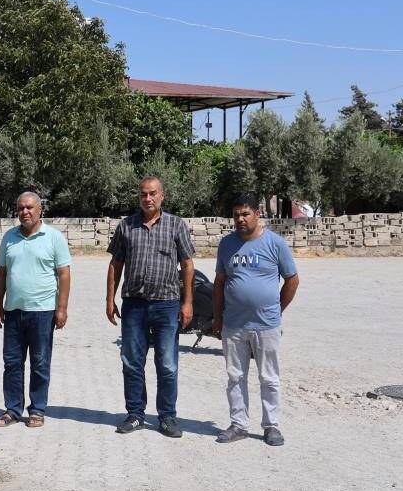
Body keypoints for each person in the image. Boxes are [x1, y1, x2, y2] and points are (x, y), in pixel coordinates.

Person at [106, 176, 195, 438]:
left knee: (167, 364)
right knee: (132, 362)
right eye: (143, 194)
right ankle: (135, 414)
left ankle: (167, 417)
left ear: (162, 196)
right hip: (134, 305)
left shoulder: (176, 225)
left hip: (166, 305)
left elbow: (188, 265)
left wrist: (187, 302)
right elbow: (115, 265)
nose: (148, 198)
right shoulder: (126, 226)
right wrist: (109, 299)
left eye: (152, 193)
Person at [212, 194, 300, 446]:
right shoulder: (227, 244)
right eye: (236, 214)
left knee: (269, 377)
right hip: (234, 324)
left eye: (245, 214)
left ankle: (271, 425)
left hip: (266, 325)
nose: (240, 219)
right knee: (235, 376)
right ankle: (238, 424)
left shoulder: (275, 244)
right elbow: (219, 282)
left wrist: (277, 309)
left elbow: (292, 280)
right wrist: (217, 318)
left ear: (257, 214)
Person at [0, 191, 71, 429]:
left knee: (40, 362)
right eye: (20, 208)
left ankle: (37, 409)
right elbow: (1, 273)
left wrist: (62, 308)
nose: (24, 212)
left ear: (40, 210)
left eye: (29, 208)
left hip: (43, 311)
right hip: (14, 311)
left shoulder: (54, 237)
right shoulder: (9, 237)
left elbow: (64, 274)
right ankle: (13, 409)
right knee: (12, 363)